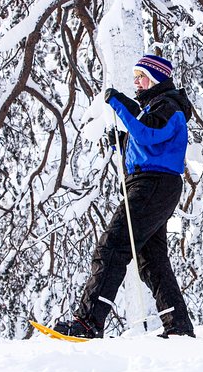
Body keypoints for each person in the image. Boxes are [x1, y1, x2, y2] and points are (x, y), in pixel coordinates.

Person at [54, 54, 195, 339]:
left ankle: (87, 322)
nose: (137, 84)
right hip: (154, 183)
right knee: (151, 259)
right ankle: (178, 327)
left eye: (141, 77)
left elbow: (149, 132)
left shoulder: (168, 106)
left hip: (152, 184)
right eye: (134, 79)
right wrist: (121, 143)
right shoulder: (159, 107)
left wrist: (118, 102)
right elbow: (148, 142)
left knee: (113, 246)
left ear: (155, 78)